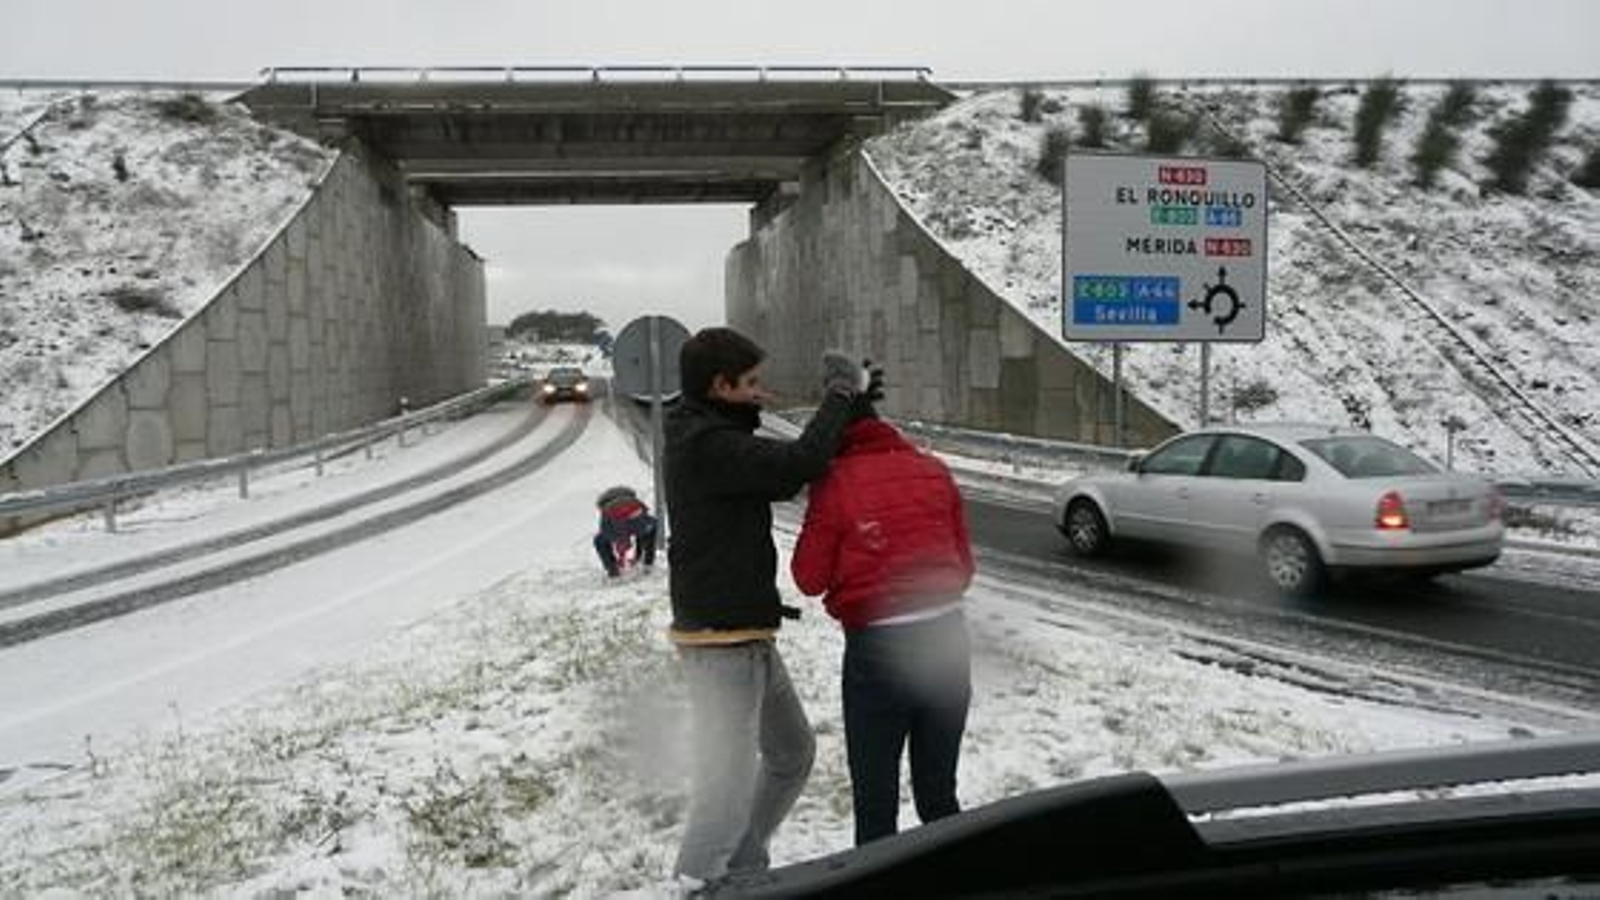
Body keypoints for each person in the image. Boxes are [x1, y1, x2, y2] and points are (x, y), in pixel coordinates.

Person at [664, 327, 879, 880]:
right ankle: (696, 880)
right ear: (720, 385)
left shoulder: (715, 432)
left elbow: (781, 479)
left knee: (791, 755)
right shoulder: (704, 444)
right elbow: (797, 465)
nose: (761, 392)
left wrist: (845, 410)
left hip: (747, 635)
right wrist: (838, 393)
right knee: (728, 779)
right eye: (751, 383)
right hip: (719, 644)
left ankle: (740, 860)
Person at [790, 409, 975, 846]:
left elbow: (807, 578)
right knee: (939, 796)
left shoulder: (835, 482)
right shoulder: (934, 470)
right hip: (947, 640)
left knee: (876, 806)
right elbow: (963, 568)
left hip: (879, 650)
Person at [593, 485, 657, 578]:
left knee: (599, 541)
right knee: (650, 528)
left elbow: (607, 529)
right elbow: (645, 514)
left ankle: (612, 569)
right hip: (639, 525)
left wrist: (621, 553)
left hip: (618, 529)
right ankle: (647, 562)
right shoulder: (634, 501)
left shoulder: (607, 508)